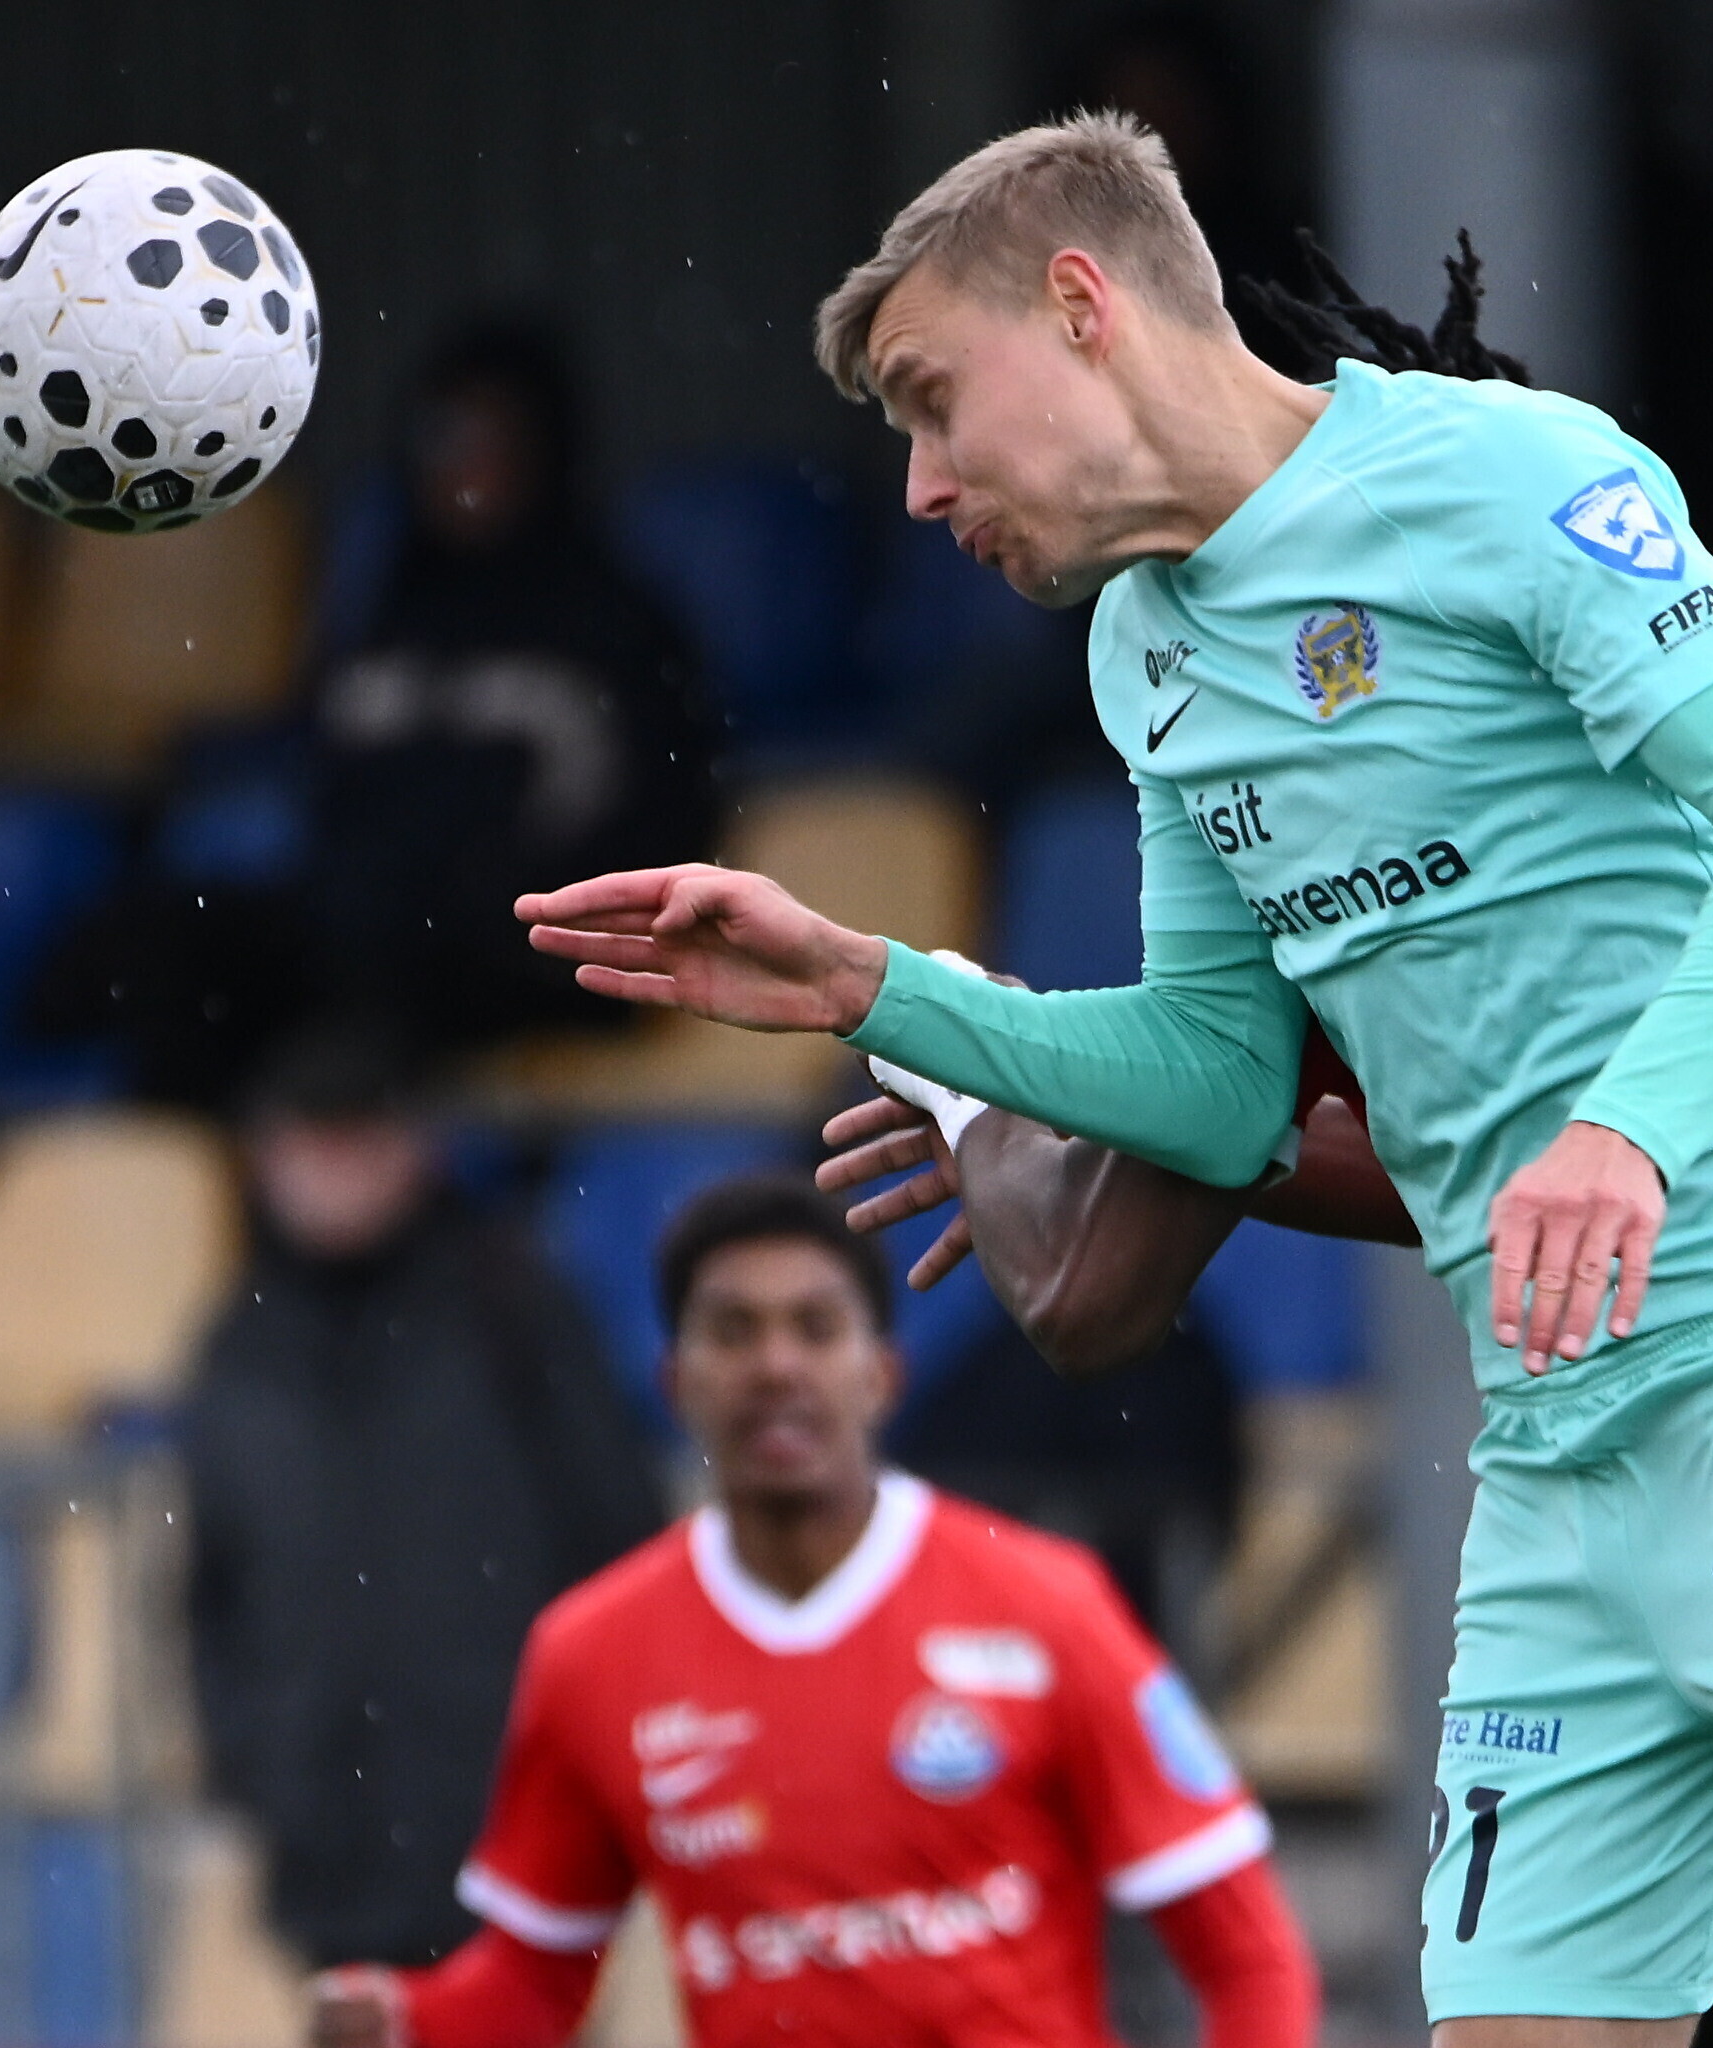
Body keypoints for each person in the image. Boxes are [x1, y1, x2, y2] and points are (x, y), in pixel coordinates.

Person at [515, 113, 1713, 2047]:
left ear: (1079, 305)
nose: (917, 486)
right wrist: (872, 984)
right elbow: (1218, 1083)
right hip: (1560, 1458)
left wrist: (1626, 1128)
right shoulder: (1146, 651)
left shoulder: (1504, 474)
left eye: (930, 400)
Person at [305, 1175, 1320, 2048]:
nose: (776, 1365)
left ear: (882, 1375)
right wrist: (407, 2017)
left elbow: (1248, 1957)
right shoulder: (592, 1653)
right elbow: (535, 1983)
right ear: (675, 1381)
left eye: (815, 1326)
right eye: (734, 1329)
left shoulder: (1045, 1608)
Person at [185, 1027, 668, 1970]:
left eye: (355, 1141)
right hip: (325, 1837)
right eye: (310, 1145)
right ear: (264, 1160)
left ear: (415, 1148)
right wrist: (258, 1766)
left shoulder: (513, 1307)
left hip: (510, 1822)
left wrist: (582, 1757)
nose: (332, 1175)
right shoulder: (239, 1342)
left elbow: (618, 1534)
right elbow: (215, 1585)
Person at [303, 321, 720, 1047]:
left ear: (542, 446)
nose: (464, 465)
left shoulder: (614, 620)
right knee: (198, 943)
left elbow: (658, 822)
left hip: (539, 944)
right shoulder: (390, 606)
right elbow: (331, 794)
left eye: (489, 436)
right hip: (370, 935)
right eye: (442, 436)